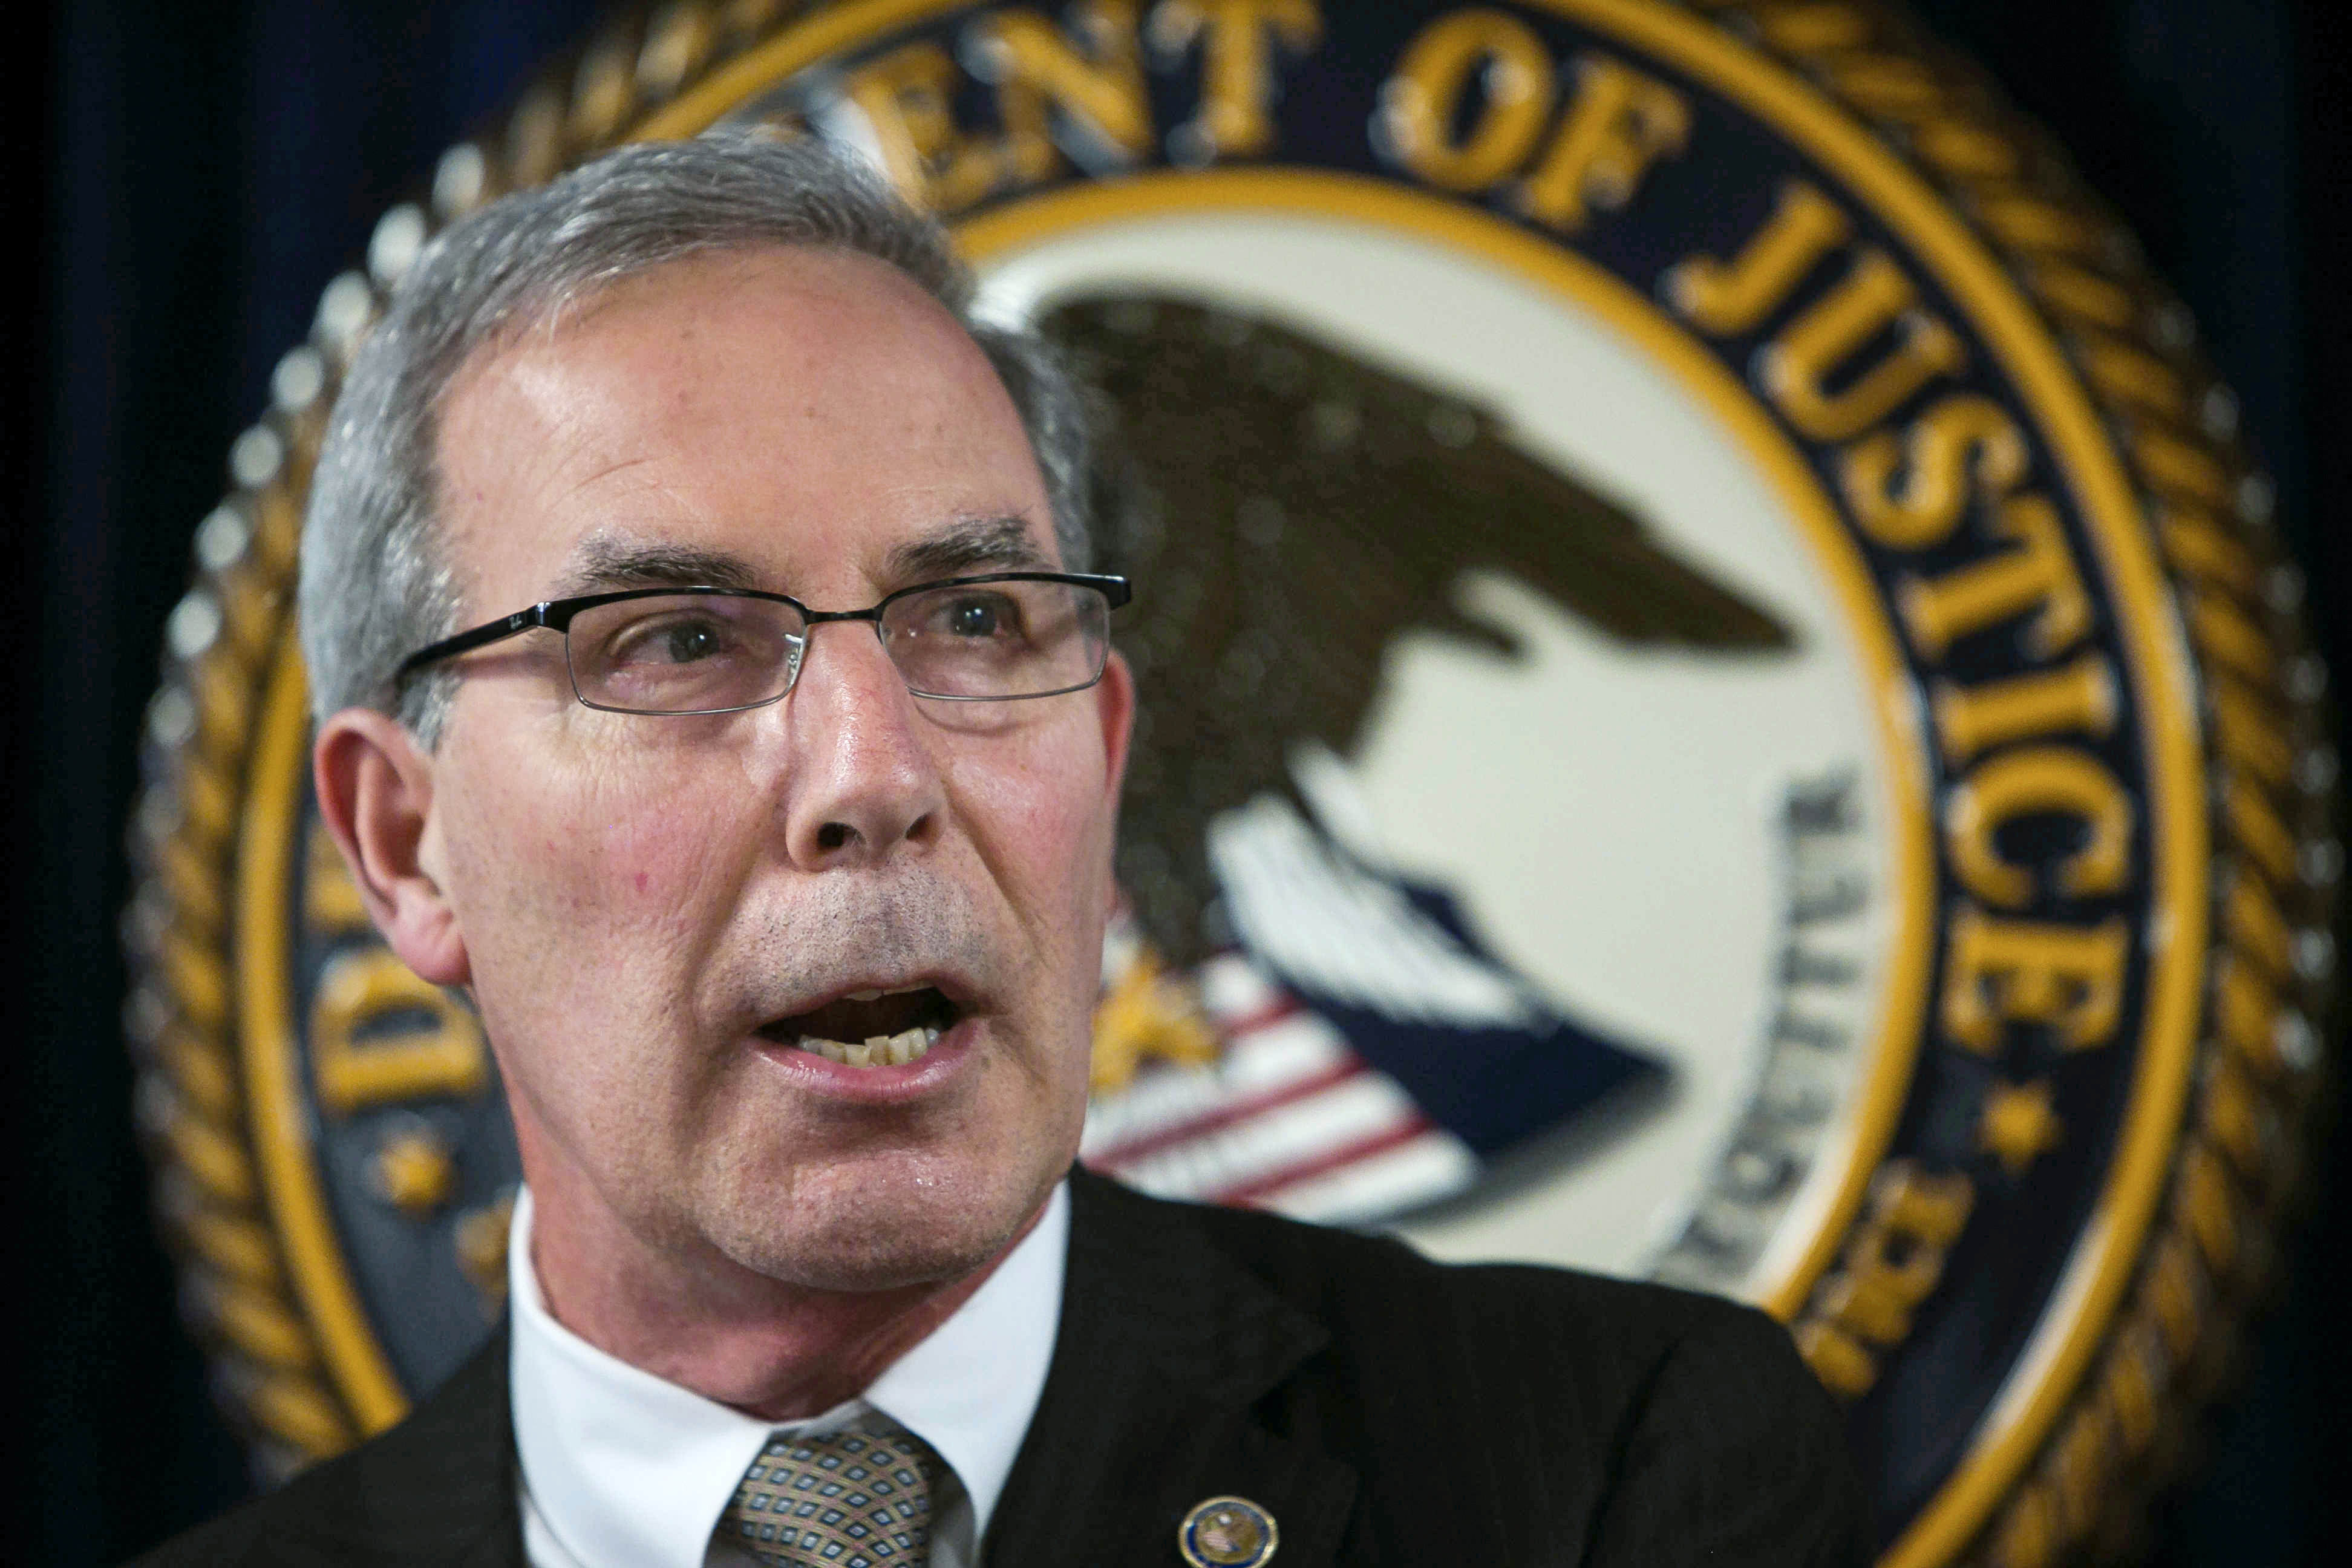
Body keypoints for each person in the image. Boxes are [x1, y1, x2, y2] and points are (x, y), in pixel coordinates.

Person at [135, 131, 1864, 1568]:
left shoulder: (1613, 1478)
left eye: (974, 620)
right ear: (406, 845)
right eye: (679, 642)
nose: (876, 773)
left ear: (1104, 759)